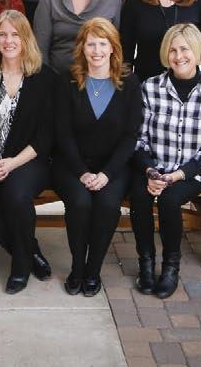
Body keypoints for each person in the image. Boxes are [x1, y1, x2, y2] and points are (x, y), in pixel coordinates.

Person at [131, 23, 201, 299]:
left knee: (170, 200)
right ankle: (146, 262)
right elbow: (139, 138)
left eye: (185, 49)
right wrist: (150, 171)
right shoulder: (150, 88)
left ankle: (171, 266)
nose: (178, 56)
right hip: (154, 167)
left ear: (197, 52)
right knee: (139, 195)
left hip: (191, 172)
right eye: (172, 50)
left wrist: (175, 176)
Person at [54, 18, 142, 297]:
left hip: (112, 167)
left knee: (107, 204)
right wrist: (82, 172)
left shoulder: (129, 83)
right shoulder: (68, 81)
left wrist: (106, 174)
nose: (97, 51)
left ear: (113, 47)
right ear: (82, 47)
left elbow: (131, 136)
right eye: (91, 44)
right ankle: (77, 268)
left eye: (103, 44)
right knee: (80, 203)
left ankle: (93, 271)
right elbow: (63, 134)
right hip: (73, 165)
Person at [0, 10, 54, 294]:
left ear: (26, 38)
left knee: (16, 196)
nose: (8, 41)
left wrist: (13, 163)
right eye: (2, 34)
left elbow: (46, 135)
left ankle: (20, 266)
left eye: (15, 34)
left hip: (28, 160)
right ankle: (30, 250)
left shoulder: (44, 77)